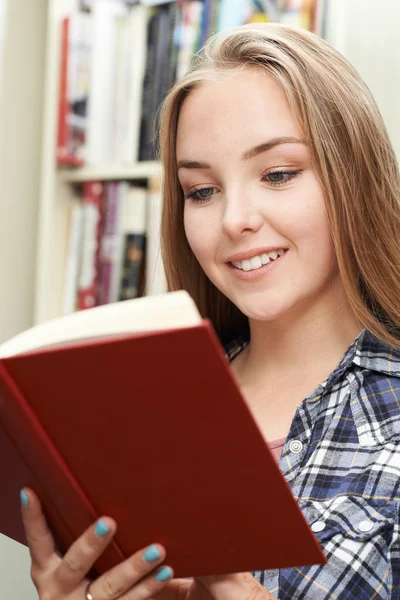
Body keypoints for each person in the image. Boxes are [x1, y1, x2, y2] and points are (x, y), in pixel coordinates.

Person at [21, 21, 400, 599]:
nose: (233, 220)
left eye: (277, 174)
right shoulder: (141, 414)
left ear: (352, 178)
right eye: (201, 190)